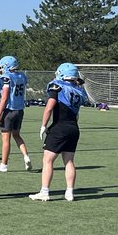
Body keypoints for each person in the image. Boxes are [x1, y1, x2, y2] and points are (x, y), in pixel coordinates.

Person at [28, 63, 90, 202]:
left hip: (59, 127)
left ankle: (44, 191)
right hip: (74, 128)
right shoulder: (78, 90)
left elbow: (49, 108)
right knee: (69, 161)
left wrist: (43, 125)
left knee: (47, 160)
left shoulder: (57, 86)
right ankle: (70, 192)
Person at [0, 55, 32, 173]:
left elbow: (4, 97)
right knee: (16, 135)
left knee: (6, 139)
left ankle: (4, 164)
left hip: (9, 110)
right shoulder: (22, 76)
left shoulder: (7, 77)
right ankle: (26, 156)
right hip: (19, 110)